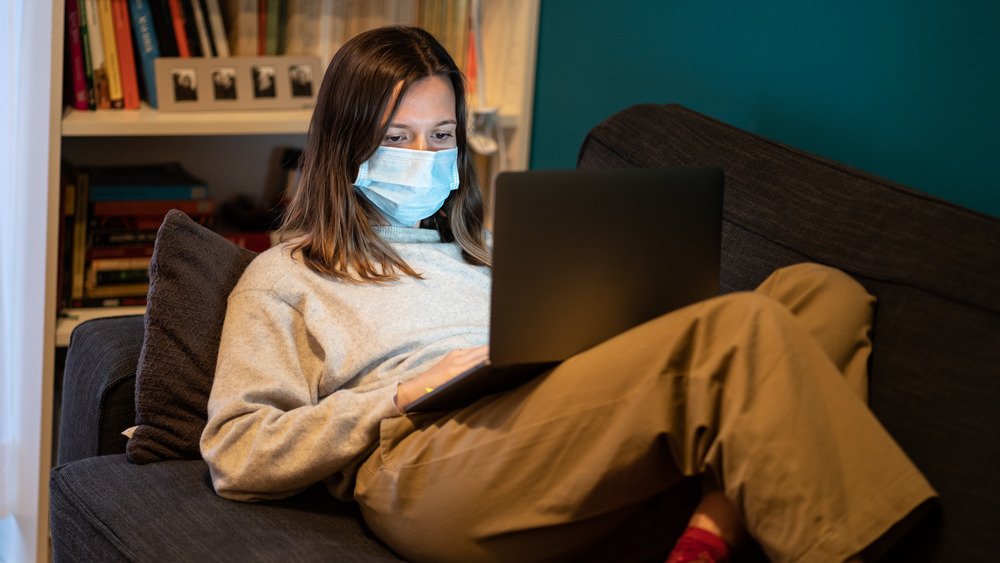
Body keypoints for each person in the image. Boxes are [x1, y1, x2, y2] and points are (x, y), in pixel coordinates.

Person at [201, 26, 936, 563]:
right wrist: (393, 396)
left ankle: (711, 532)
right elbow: (234, 451)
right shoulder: (288, 276)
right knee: (735, 331)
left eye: (442, 135)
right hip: (428, 465)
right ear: (345, 143)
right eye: (397, 137)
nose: (424, 158)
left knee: (820, 294)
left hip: (552, 429)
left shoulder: (492, 254)